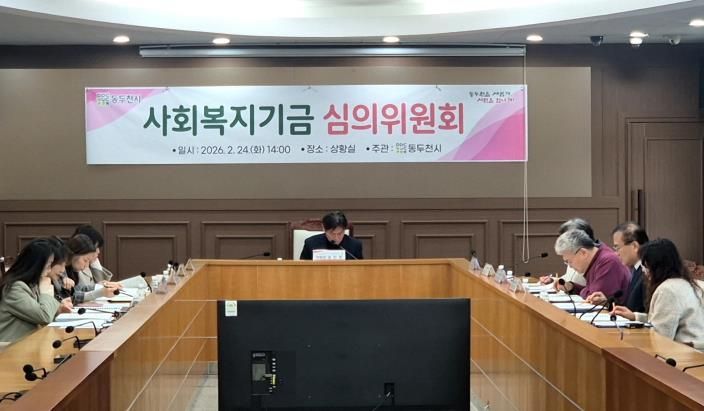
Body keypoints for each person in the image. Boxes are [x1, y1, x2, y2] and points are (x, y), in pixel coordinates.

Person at [612, 239, 704, 349]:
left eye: (645, 266)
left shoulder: (668, 290)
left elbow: (660, 337)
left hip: (684, 353)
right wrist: (634, 316)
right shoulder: (688, 283)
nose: (644, 271)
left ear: (655, 267)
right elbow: (664, 319)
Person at [0, 238, 60, 344]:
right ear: (36, 265)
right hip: (9, 349)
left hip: (27, 344)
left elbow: (44, 311)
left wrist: (59, 308)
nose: (50, 270)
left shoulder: (31, 284)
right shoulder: (15, 288)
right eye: (48, 265)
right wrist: (46, 293)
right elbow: (44, 316)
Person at [586, 222, 649, 311]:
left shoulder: (648, 271)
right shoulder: (636, 269)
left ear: (634, 246)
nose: (616, 253)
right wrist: (607, 303)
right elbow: (629, 308)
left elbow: (643, 312)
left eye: (617, 247)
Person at [554, 229, 631, 301]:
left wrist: (584, 291)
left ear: (583, 253)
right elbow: (590, 291)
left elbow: (593, 298)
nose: (570, 266)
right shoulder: (597, 258)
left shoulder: (607, 261)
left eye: (569, 261)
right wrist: (570, 287)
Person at [540, 218, 593, 289]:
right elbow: (569, 278)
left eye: (567, 238)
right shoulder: (572, 253)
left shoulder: (593, 259)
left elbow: (592, 290)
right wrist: (553, 280)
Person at [64, 234, 118, 304]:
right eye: (85, 260)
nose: (86, 265)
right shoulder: (61, 271)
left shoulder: (73, 270)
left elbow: (79, 289)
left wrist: (98, 286)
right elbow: (71, 298)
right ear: (74, 254)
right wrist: (100, 292)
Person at [73, 225, 121, 289]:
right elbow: (80, 291)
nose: (98, 251)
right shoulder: (76, 265)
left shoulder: (91, 263)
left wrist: (94, 263)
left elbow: (102, 282)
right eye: (96, 247)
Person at [46, 236, 74, 314]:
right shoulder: (22, 287)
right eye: (61, 264)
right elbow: (44, 314)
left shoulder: (55, 278)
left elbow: (63, 299)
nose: (63, 270)